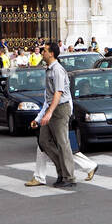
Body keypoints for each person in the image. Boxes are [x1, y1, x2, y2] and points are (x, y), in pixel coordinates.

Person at [30, 42, 75, 189]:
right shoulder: (49, 69)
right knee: (43, 141)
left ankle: (69, 176)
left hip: (60, 109)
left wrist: (48, 113)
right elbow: (48, 96)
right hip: (52, 108)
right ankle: (61, 170)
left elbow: (58, 93)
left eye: (45, 51)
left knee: (63, 143)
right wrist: (42, 115)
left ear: (51, 54)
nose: (42, 52)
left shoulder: (57, 70)